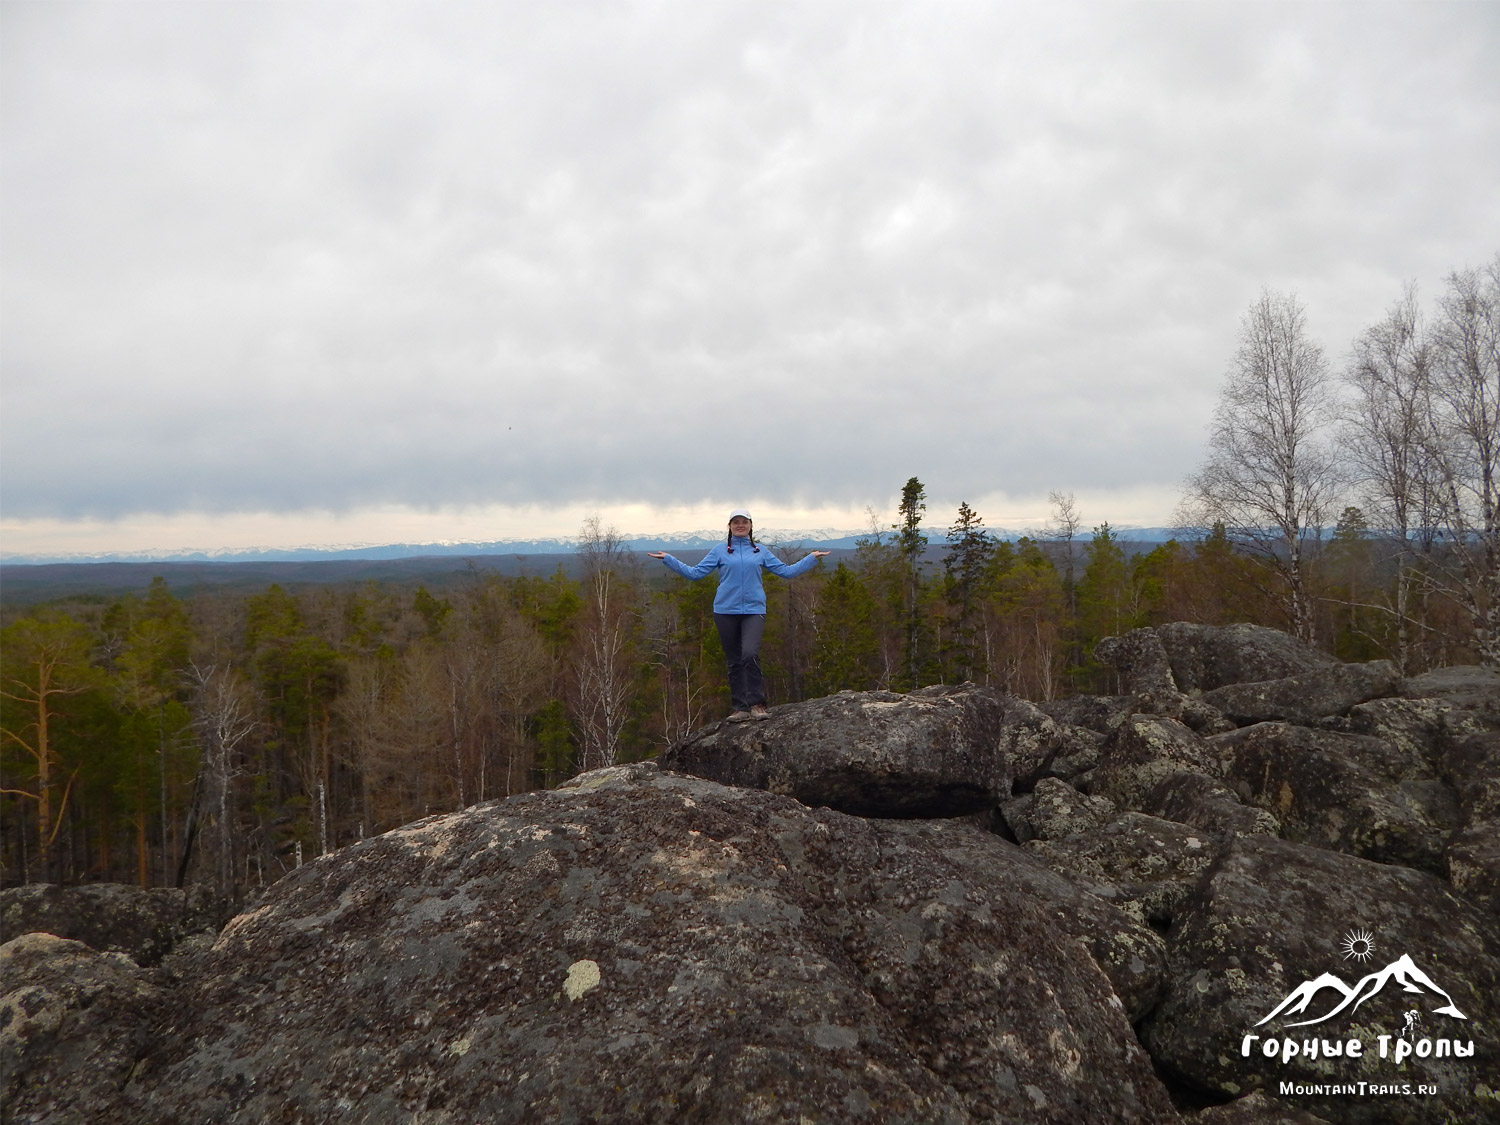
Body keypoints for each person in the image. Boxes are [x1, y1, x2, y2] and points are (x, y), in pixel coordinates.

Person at [649, 510, 829, 722]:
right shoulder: (720, 551)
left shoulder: (760, 551)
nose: (740, 525)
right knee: (734, 660)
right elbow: (695, 573)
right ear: (730, 526)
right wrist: (668, 559)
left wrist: (811, 558)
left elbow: (786, 572)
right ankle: (740, 707)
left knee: (749, 654)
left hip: (754, 610)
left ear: (751, 526)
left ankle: (757, 704)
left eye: (744, 522)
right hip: (725, 611)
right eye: (736, 522)